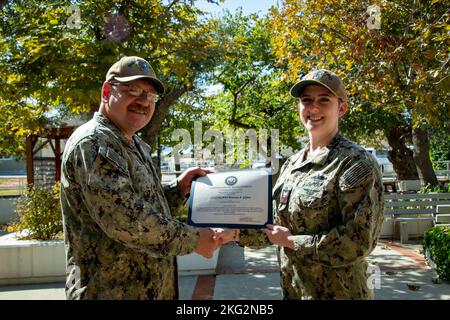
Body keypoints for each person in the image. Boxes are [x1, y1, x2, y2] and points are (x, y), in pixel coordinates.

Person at [60, 56, 220, 300]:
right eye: (132, 90)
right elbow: (127, 220)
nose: (143, 101)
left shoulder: (135, 145)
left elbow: (141, 203)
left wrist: (179, 188)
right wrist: (195, 240)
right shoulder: (94, 142)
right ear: (106, 92)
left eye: (150, 95)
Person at [219, 69, 384, 299]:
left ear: (342, 108)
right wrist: (235, 234)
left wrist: (292, 242)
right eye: (306, 100)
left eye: (324, 100)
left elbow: (357, 242)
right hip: (295, 290)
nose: (313, 108)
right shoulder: (292, 163)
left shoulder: (355, 163)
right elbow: (275, 228)